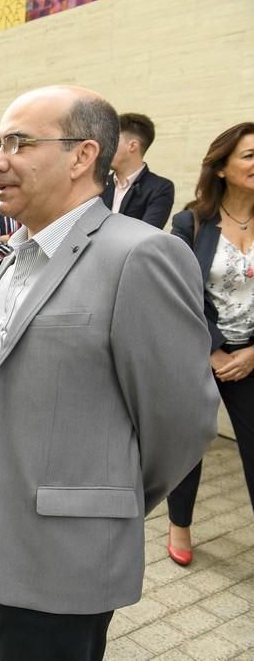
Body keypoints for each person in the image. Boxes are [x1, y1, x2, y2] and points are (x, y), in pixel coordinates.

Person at [0, 86, 220, 661]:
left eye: (17, 143)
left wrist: (101, 501)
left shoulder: (139, 257)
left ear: (81, 155)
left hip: (62, 547)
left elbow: (183, 420)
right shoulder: (13, 250)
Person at [165, 122, 254, 567]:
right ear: (221, 167)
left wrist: (252, 353)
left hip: (251, 356)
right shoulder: (191, 221)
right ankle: (179, 523)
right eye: (250, 155)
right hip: (200, 353)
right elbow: (179, 291)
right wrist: (212, 349)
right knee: (190, 441)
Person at [100, 112, 175, 229]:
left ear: (132, 146)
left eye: (111, 142)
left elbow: (146, 235)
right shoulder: (99, 185)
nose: (104, 149)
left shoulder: (160, 188)